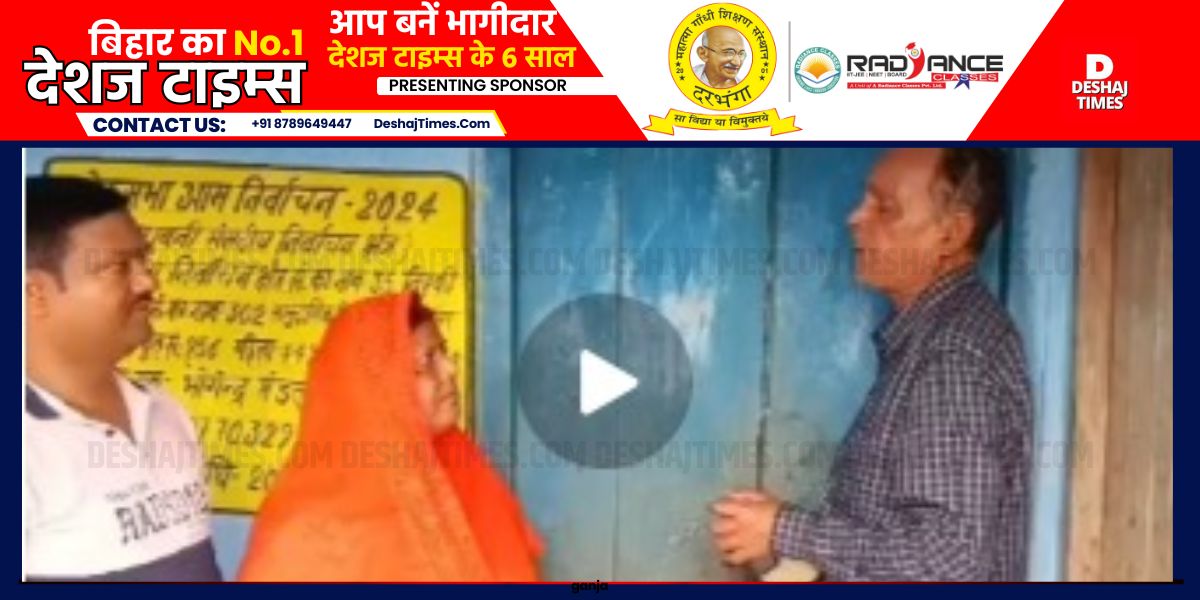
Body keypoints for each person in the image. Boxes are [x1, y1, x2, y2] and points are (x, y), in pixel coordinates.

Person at [711, 148, 1033, 581]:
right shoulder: (929, 339)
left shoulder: (952, 360)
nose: (855, 218)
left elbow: (950, 560)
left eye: (885, 208)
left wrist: (785, 529)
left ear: (951, 234)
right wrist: (780, 540)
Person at [239, 292, 543, 581]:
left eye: (444, 352)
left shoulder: (466, 474)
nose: (450, 369)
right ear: (378, 391)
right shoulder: (302, 535)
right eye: (427, 360)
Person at [23, 176, 221, 581]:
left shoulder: (163, 410)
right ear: (35, 294)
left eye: (143, 262)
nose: (147, 282)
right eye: (117, 267)